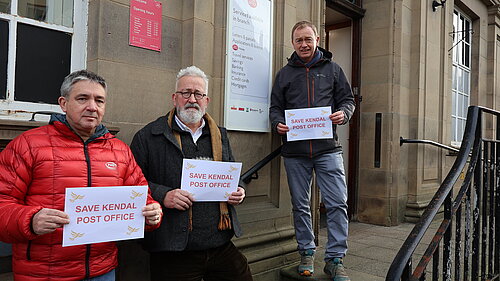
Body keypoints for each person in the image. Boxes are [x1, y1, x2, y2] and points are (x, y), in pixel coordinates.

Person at [0, 70, 163, 281]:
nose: (92, 107)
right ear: (63, 103)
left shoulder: (121, 151)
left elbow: (144, 200)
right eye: (82, 98)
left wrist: (153, 215)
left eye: (99, 100)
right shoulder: (28, 145)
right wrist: (30, 220)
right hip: (45, 272)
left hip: (102, 270)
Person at [130, 65, 253, 281]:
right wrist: (163, 195)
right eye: (185, 93)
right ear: (174, 98)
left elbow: (234, 175)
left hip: (219, 243)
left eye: (198, 94)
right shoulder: (149, 136)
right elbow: (131, 185)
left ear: (207, 100)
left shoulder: (219, 135)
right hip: (174, 249)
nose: (192, 99)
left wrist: (240, 190)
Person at [269, 21, 355, 281]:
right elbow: (275, 107)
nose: (304, 44)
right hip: (295, 153)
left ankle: (335, 259)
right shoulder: (284, 74)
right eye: (299, 40)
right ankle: (306, 252)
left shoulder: (333, 69)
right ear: (292, 43)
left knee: (337, 203)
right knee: (301, 205)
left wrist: (345, 113)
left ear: (317, 39)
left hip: (328, 149)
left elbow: (347, 100)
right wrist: (277, 123)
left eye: (308, 39)